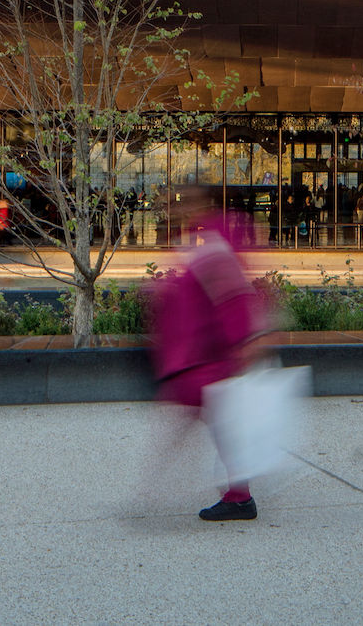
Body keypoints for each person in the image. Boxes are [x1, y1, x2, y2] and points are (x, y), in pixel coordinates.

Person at [146, 188, 269, 521]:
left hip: (207, 359)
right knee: (219, 425)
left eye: (178, 203)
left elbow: (230, 299)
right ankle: (238, 495)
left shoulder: (210, 246)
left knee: (217, 426)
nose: (172, 210)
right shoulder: (203, 243)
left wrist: (241, 346)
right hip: (204, 358)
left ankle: (237, 497)